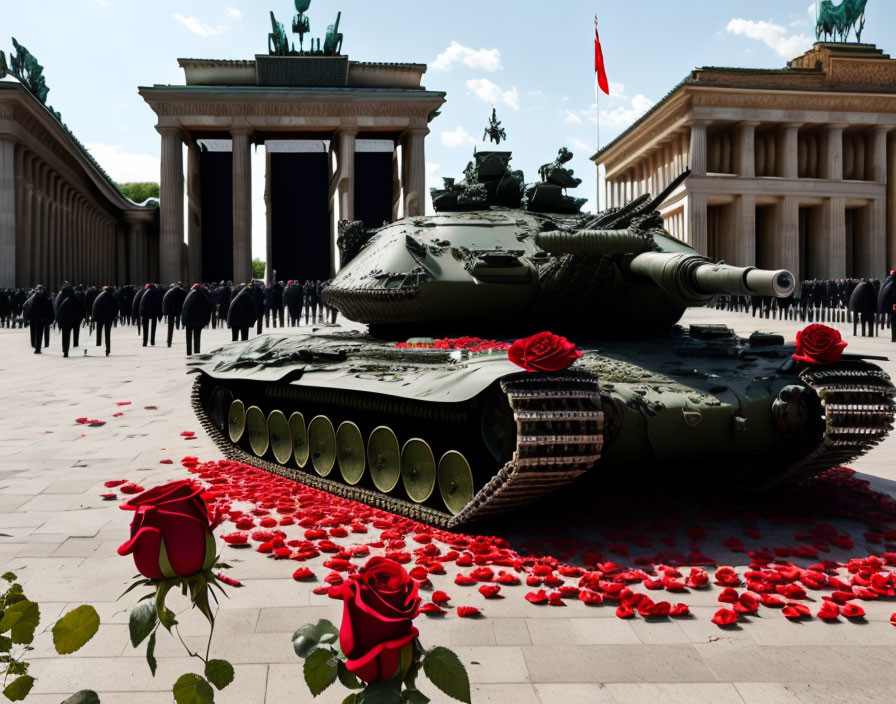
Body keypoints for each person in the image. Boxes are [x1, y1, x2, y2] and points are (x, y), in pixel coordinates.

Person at [54, 282, 86, 358]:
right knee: (74, 332)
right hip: (73, 320)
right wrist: (81, 317)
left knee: (65, 336)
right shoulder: (74, 298)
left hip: (64, 320)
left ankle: (65, 351)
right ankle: (75, 343)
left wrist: (57, 319)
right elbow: (81, 308)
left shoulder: (60, 296)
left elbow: (57, 307)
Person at [181, 283, 214, 355]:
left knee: (188, 338)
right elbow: (210, 306)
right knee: (197, 337)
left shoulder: (191, 294)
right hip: (200, 320)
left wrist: (183, 321)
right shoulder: (204, 295)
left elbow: (185, 308)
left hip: (188, 319)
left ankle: (189, 352)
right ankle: (197, 351)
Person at [23, 285, 54, 354]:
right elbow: (50, 310)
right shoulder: (46, 299)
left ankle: (35, 345)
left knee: (34, 332)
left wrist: (27, 318)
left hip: (34, 318)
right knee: (40, 333)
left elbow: (27, 307)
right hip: (43, 319)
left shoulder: (33, 298)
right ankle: (38, 348)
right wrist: (51, 319)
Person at [92, 285, 118, 355]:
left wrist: (94, 317)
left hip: (99, 317)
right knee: (107, 334)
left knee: (99, 332)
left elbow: (95, 307)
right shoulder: (111, 296)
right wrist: (115, 316)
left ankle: (98, 347)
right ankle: (107, 349)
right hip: (107, 317)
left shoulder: (99, 295)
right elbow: (116, 307)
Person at [162, 282, 186, 347]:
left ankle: (169, 341)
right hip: (173, 310)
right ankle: (169, 341)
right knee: (171, 326)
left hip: (169, 310)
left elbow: (166, 302)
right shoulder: (179, 292)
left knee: (170, 327)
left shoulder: (170, 291)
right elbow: (180, 302)